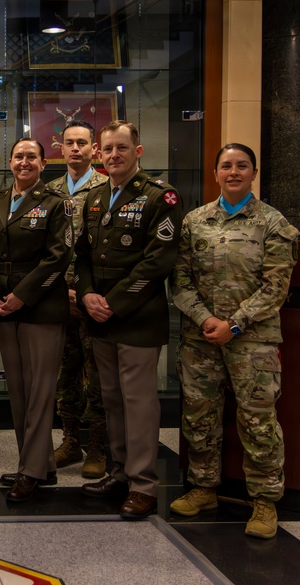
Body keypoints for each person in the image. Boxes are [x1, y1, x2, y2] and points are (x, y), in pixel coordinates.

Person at [169, 143, 298, 539]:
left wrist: (235, 324)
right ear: (216, 174)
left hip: (253, 342)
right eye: (226, 166)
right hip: (200, 337)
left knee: (258, 421)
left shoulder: (273, 223)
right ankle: (204, 488)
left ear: (254, 173)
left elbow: (277, 285)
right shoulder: (194, 221)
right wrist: (207, 319)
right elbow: (179, 280)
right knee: (199, 416)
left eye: (242, 165)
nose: (234, 171)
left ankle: (263, 502)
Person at [75, 120, 183, 519]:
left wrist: (112, 303)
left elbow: (158, 262)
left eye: (122, 147)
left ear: (138, 152)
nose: (114, 155)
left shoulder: (160, 197)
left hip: (135, 318)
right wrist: (88, 295)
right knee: (111, 400)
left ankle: (143, 485)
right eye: (108, 149)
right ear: (98, 154)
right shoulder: (96, 197)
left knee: (139, 404)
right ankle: (119, 472)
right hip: (100, 317)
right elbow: (83, 255)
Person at [0, 139, 72, 502]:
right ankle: (37, 464)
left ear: (43, 162)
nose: (24, 162)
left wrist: (22, 295)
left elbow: (58, 257)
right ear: (11, 160)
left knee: (39, 392)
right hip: (2, 307)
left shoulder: (55, 204)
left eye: (31, 157)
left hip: (40, 308)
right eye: (19, 156)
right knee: (18, 391)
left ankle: (32, 471)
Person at [45, 120, 110, 478]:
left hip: (95, 300)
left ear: (94, 149)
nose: (75, 149)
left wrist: (84, 293)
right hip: (57, 299)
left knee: (97, 376)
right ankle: (71, 441)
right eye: (69, 143)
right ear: (61, 148)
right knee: (64, 374)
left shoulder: (107, 186)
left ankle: (97, 448)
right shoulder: (51, 190)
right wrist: (61, 289)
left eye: (82, 143)